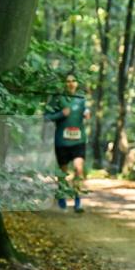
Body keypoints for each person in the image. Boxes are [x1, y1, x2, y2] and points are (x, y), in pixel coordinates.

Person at [45, 73, 89, 213]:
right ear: (64, 83)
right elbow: (46, 117)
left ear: (77, 83)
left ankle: (78, 202)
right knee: (63, 174)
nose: (71, 83)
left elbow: (86, 109)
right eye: (68, 81)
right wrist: (60, 114)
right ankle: (62, 200)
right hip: (62, 141)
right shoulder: (57, 98)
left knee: (78, 169)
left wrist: (87, 112)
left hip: (79, 140)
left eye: (73, 81)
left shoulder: (81, 99)